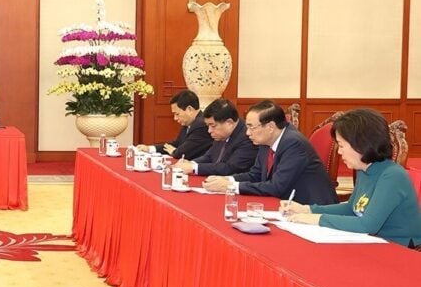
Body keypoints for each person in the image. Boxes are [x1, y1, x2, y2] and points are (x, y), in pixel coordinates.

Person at [281, 109, 421, 247]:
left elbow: (367, 225)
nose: (340, 152)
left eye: (341, 146)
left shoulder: (392, 175)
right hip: (372, 242)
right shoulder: (364, 170)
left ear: (361, 144)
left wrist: (316, 219)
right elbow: (351, 209)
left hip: (399, 249)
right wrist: (307, 209)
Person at [203, 99, 337, 205]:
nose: (247, 133)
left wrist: (231, 186)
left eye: (251, 127)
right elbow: (255, 175)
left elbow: (276, 187)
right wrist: (226, 179)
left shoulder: (293, 143)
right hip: (286, 203)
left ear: (270, 127)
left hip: (311, 207)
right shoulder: (265, 140)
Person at [174, 98, 257, 176]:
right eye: (208, 126)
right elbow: (209, 156)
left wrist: (194, 168)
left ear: (229, 122)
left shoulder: (247, 137)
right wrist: (191, 163)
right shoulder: (221, 134)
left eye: (213, 126)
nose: (209, 130)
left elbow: (231, 168)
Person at [137, 90, 211, 160]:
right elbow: (176, 144)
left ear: (189, 109)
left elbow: (182, 153)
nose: (175, 118)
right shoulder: (189, 123)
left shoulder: (201, 125)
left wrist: (174, 151)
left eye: (177, 114)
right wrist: (149, 148)